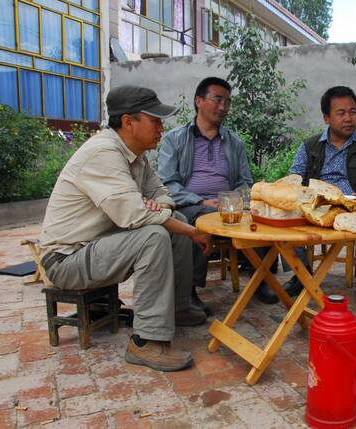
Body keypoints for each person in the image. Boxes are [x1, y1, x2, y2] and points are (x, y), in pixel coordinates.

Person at [39, 85, 213, 372]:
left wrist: (160, 208)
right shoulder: (103, 153)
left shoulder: (136, 155)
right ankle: (146, 341)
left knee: (176, 223)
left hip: (98, 246)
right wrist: (189, 229)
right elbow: (136, 216)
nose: (161, 127)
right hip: (66, 260)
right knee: (155, 236)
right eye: (155, 120)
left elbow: (162, 194)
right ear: (129, 122)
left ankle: (177, 309)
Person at [157, 77, 276, 306]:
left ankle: (262, 280)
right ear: (199, 101)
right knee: (196, 220)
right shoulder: (175, 140)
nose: (223, 107)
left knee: (264, 215)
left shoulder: (235, 143)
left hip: (229, 205)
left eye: (227, 102)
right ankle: (189, 291)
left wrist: (235, 200)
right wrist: (201, 201)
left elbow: (244, 181)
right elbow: (167, 183)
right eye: (218, 99)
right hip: (191, 204)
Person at [287, 86, 356, 307]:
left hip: (355, 205)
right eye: (341, 113)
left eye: (353, 111)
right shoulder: (309, 146)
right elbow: (294, 178)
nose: (349, 118)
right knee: (283, 211)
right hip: (318, 205)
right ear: (327, 118)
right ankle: (301, 273)